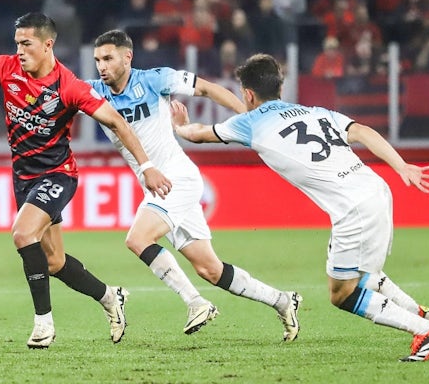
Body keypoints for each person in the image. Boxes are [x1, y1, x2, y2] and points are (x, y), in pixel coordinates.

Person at [171, 52, 429, 362]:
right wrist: (401, 166)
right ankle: (422, 313)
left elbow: (199, 134)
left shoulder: (250, 122)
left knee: (342, 294)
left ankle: (424, 329)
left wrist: (181, 127)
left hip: (351, 209)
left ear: (248, 94)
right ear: (280, 87)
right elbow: (362, 132)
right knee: (364, 274)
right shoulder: (315, 111)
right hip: (376, 190)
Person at [0, 13, 172, 348]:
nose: (20, 51)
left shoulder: (68, 86)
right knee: (54, 261)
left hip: (57, 174)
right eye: (17, 44)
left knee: (22, 233)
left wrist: (147, 168)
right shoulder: (3, 66)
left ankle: (43, 324)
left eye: (26, 44)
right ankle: (110, 297)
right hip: (23, 176)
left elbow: (117, 122)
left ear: (47, 45)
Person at [89, 30, 302, 340]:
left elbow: (207, 88)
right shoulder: (93, 92)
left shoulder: (155, 79)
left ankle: (195, 302)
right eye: (97, 60)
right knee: (210, 270)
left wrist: (251, 118)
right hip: (158, 188)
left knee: (138, 239)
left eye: (108, 58)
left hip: (177, 177)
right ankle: (282, 301)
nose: (101, 66)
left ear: (127, 57)